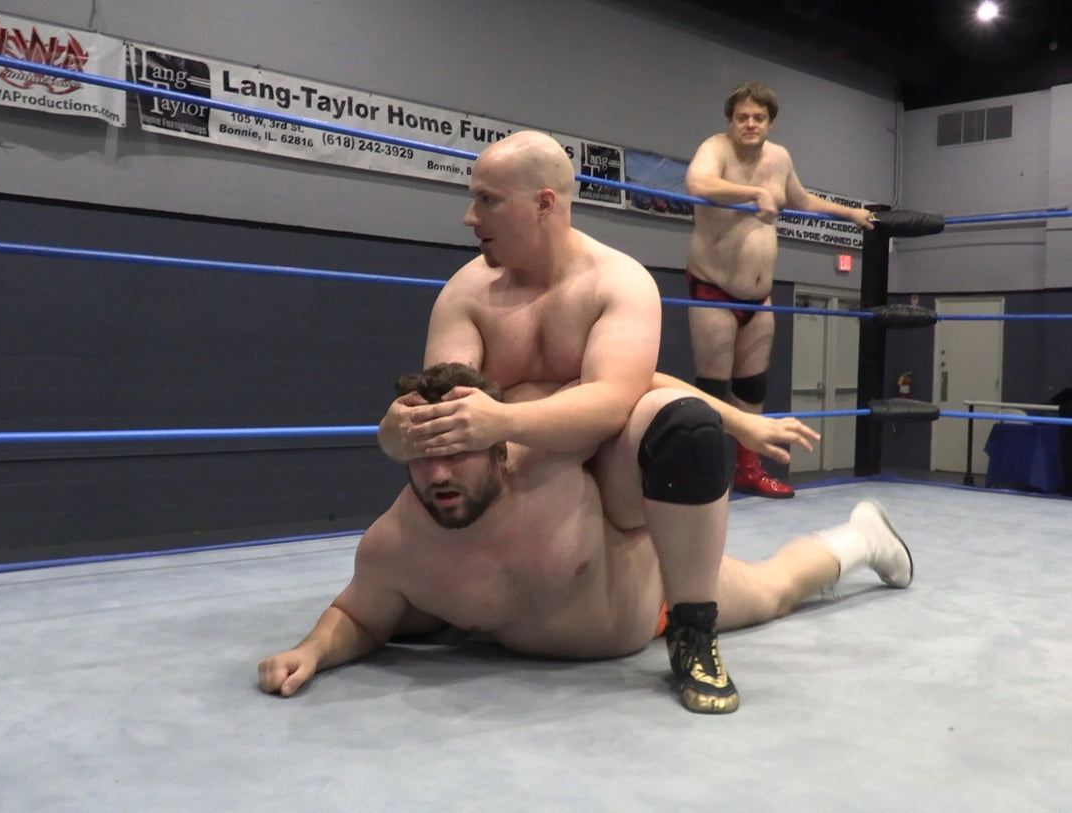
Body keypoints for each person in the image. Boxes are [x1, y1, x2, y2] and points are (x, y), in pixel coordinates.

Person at [259, 363, 913, 714]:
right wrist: (311, 650)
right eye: (423, 459)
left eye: (456, 453)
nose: (438, 476)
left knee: (776, 589)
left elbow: (636, 383)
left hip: (652, 595)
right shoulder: (396, 542)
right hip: (558, 617)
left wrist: (740, 423)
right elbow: (358, 616)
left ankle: (862, 537)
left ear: (498, 447)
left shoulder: (548, 450)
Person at [374, 130, 752, 710]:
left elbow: (610, 403)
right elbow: (444, 411)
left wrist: (502, 420)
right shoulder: (465, 293)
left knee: (687, 427)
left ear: (543, 203)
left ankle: (694, 633)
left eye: (487, 200)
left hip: (614, 488)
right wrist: (396, 432)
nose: (470, 218)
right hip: (524, 500)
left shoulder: (618, 282)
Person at [685, 81, 877, 499]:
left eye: (758, 117)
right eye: (742, 117)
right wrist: (753, 193)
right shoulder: (716, 148)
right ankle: (704, 475)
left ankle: (748, 471)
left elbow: (801, 200)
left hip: (760, 297)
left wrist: (850, 213)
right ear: (730, 121)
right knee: (712, 391)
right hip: (714, 289)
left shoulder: (779, 158)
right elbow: (698, 184)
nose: (750, 124)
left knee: (752, 388)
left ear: (770, 122)